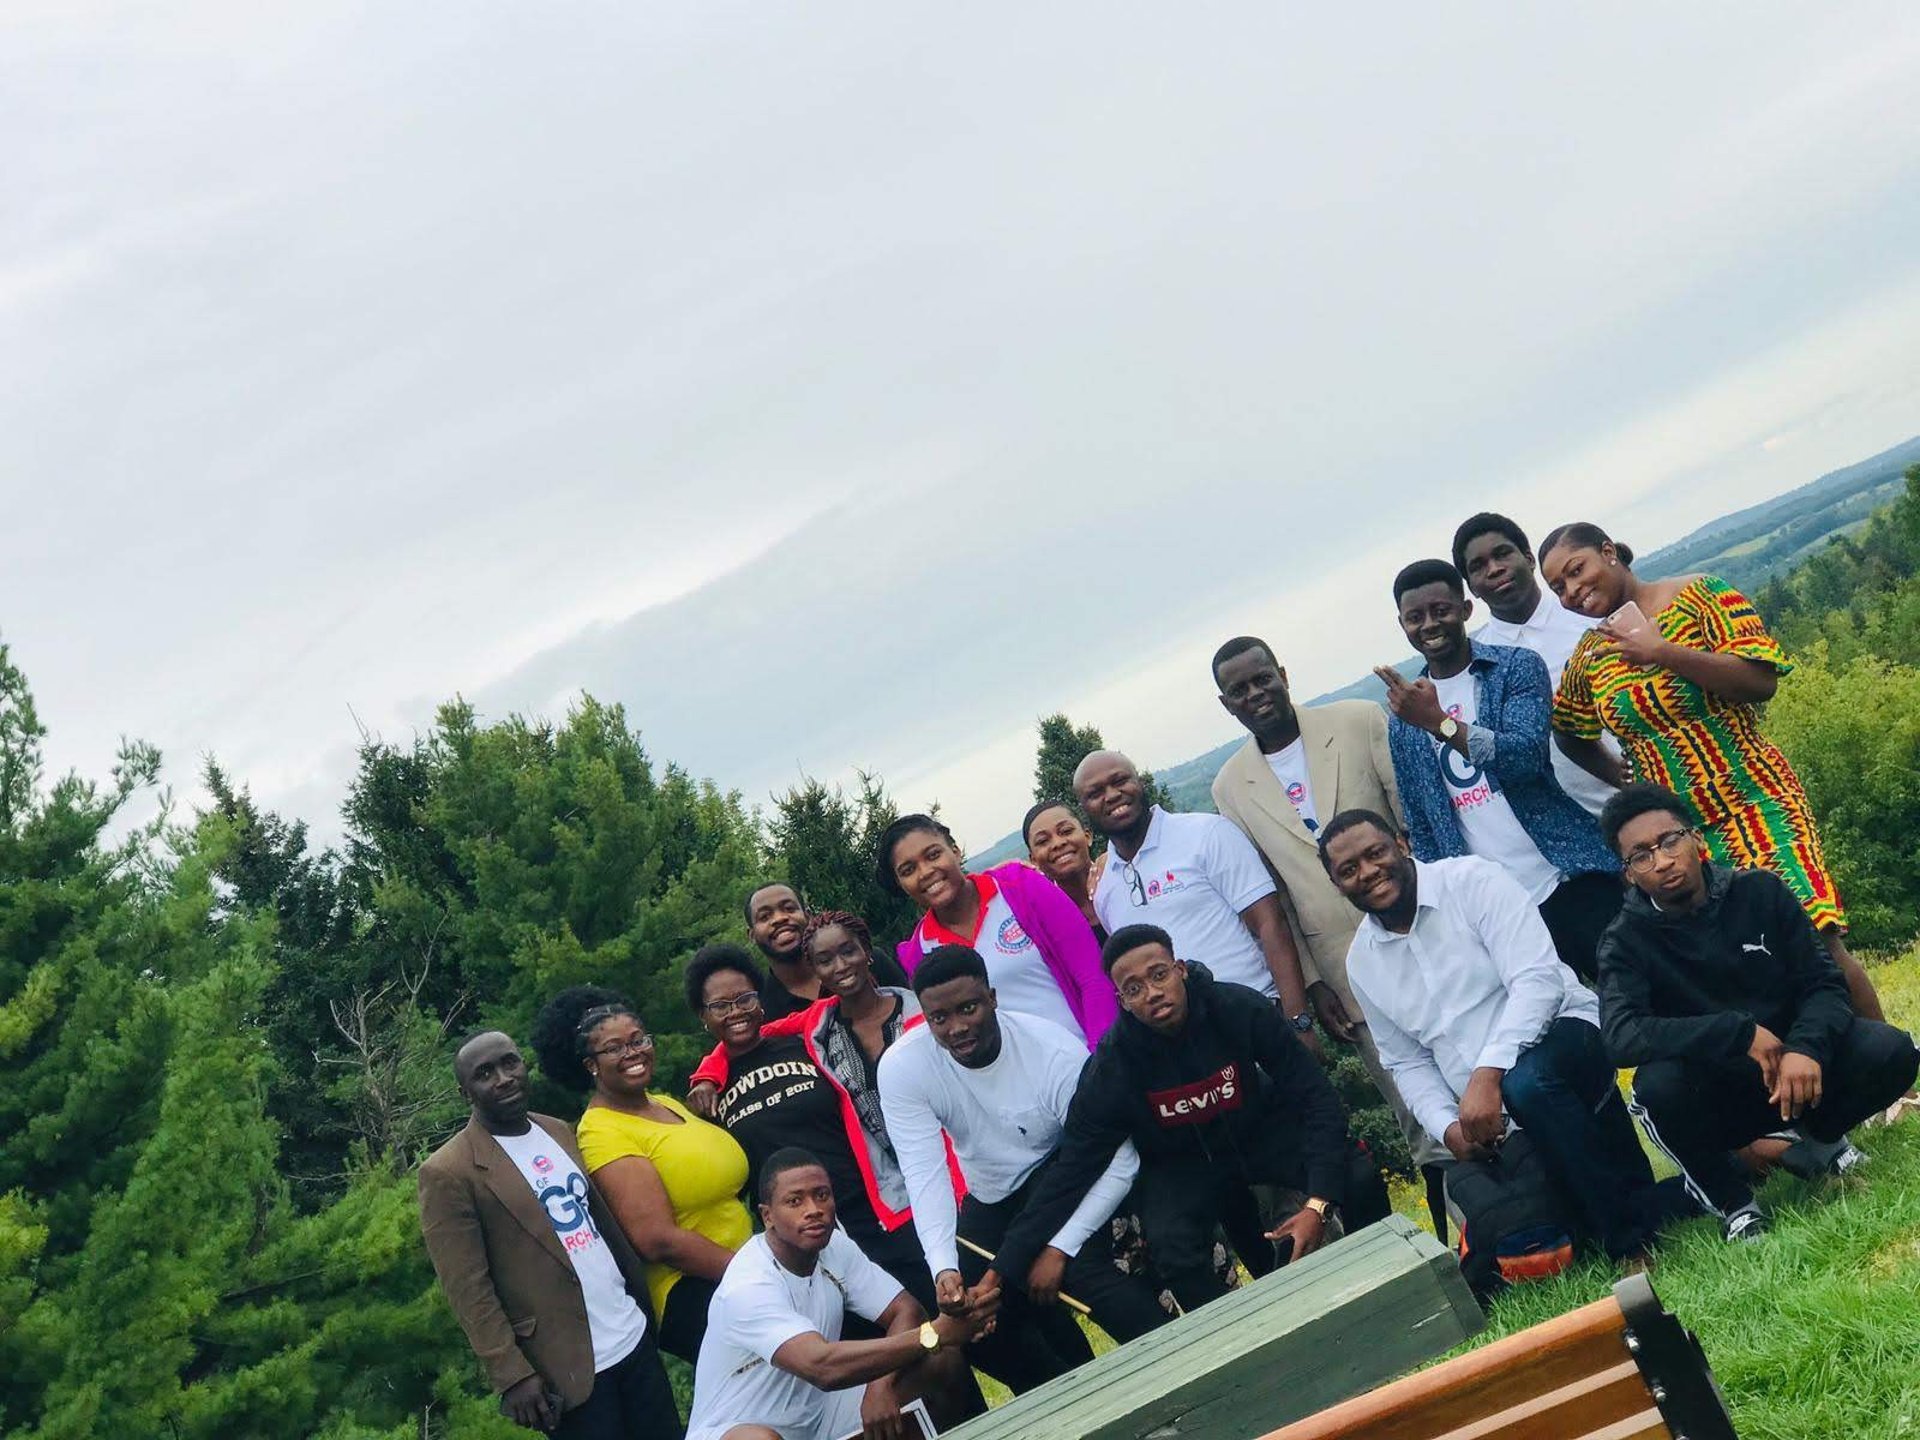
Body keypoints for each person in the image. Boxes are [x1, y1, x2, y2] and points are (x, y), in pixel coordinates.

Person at [1540, 520, 1888, 1022]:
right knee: (1741, 962)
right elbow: (1568, 728)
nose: (1573, 590)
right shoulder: (1593, 655)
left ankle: (1895, 1075)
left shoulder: (1702, 597)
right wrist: (1621, 775)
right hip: (1680, 835)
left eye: (1577, 570)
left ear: (1609, 552)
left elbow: (1759, 680)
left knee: (1813, 932)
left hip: (1754, 796)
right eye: (1558, 587)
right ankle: (1818, 1083)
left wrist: (1661, 652)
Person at [1321, 810, 1688, 1275]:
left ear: (1401, 843)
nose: (1368, 872)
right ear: (1337, 885)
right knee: (1533, 1232)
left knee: (1528, 1084)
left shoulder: (1474, 882)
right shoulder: (1363, 963)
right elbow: (1406, 1063)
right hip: (1488, 1112)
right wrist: (1448, 1128)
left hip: (1566, 1038)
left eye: (1375, 853)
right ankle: (1673, 1192)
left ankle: (1630, 1245)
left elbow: (1537, 983)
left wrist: (1487, 1075)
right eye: (1348, 870)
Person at [989, 923, 1391, 1314]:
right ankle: (1237, 1346)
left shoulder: (1237, 1008)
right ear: (1122, 1001)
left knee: (1356, 1175)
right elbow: (1074, 1167)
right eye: (1134, 989)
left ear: (1179, 969)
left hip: (1259, 1133)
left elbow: (1315, 1097)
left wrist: (1318, 1204)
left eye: (1159, 975)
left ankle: (1390, 1278)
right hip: (1183, 1164)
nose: (1152, 993)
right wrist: (1002, 1269)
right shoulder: (1113, 1064)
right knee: (1173, 1252)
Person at [1595, 784, 1919, 1241]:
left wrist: (1804, 1048)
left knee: (1891, 1050)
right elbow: (1621, 1036)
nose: (1663, 860)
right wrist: (1736, 1032)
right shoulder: (1624, 941)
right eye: (1641, 856)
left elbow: (1823, 982)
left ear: (1696, 840)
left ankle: (1823, 1142)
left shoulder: (1760, 890)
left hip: (1799, 1071)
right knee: (1655, 1089)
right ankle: (1736, 1206)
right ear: (1629, 874)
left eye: (1670, 841)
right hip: (1718, 1091)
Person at [880, 945, 1170, 1369]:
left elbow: (1118, 1157)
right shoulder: (902, 1067)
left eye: (969, 1008)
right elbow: (925, 1175)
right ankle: (1069, 1402)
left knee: (1081, 1273)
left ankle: (1171, 1361)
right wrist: (943, 1269)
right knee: (971, 1317)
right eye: (940, 1019)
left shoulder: (1052, 1051)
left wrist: (1059, 1249)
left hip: (1071, 1174)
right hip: (994, 1193)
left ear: (993, 998)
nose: (957, 1028)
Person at [419, 1031, 682, 1438]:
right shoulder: (450, 1172)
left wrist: (641, 1307)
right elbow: (467, 1288)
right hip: (567, 1367)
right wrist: (511, 1375)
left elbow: (600, 1225)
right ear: (464, 1092)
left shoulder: (557, 1130)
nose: (503, 1078)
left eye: (510, 1063)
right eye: (485, 1073)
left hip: (631, 1336)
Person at [1375, 558, 1625, 983]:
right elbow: (1422, 821)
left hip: (1567, 874)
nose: (1430, 625)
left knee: (1638, 993)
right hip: (1497, 911)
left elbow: (1526, 755)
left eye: (1441, 610)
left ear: (1466, 609)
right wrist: (1452, 915)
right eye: (1415, 617)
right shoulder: (1402, 719)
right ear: (1402, 625)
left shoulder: (1514, 668)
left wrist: (1439, 723)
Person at [683, 941, 941, 1316]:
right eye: (720, 1006)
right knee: (887, 1351)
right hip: (810, 1245)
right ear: (703, 1017)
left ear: (760, 1001)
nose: (736, 1012)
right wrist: (708, 1073)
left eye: (745, 999)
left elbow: (847, 1008)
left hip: (876, 1211)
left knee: (943, 1316)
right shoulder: (707, 1096)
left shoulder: (809, 1040)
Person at [684, 1149, 996, 1440]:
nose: (814, 1210)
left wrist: (880, 1384)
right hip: (740, 1425)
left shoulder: (834, 1245)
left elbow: (906, 1311)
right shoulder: (748, 1285)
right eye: (795, 1201)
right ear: (767, 1216)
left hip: (819, 1411)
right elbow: (821, 1366)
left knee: (942, 1362)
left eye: (822, 1196)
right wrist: (936, 1334)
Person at [531, 986, 752, 1363]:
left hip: (746, 1269)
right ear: (591, 1065)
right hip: (697, 1292)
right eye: (614, 1048)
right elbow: (656, 1240)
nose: (632, 1053)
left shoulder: (664, 1103)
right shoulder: (601, 1131)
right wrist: (755, 1277)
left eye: (638, 1040)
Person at [1076, 750, 1313, 1038]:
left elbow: (1270, 923)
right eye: (1095, 793)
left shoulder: (1207, 834)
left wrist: (1298, 1020)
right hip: (1188, 1049)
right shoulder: (1104, 888)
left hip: (1255, 1019)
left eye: (1120, 780)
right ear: (1084, 809)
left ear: (1140, 782)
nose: (1112, 795)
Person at [880, 813, 1119, 1046]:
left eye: (933, 855)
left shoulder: (1020, 887)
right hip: (1007, 1085)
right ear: (900, 884)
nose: (926, 872)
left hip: (1082, 1063)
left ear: (955, 851)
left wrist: (1100, 1061)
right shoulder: (919, 953)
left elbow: (1093, 977)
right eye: (908, 870)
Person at [1452, 511, 1617, 816]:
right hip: (1560, 837)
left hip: (1642, 803)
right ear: (1472, 588)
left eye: (1502, 554)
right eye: (1478, 566)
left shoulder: (1590, 619)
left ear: (1528, 558)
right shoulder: (1478, 663)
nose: (1495, 569)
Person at [744, 880, 910, 1022]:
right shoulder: (763, 1010)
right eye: (765, 917)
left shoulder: (868, 962)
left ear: (808, 917)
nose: (780, 919)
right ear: (751, 935)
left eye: (789, 908)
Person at [1022, 800, 1108, 941]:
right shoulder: (1044, 923)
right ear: (1034, 860)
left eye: (1066, 831)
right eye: (1043, 841)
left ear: (1088, 836)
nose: (1058, 843)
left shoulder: (1123, 879)